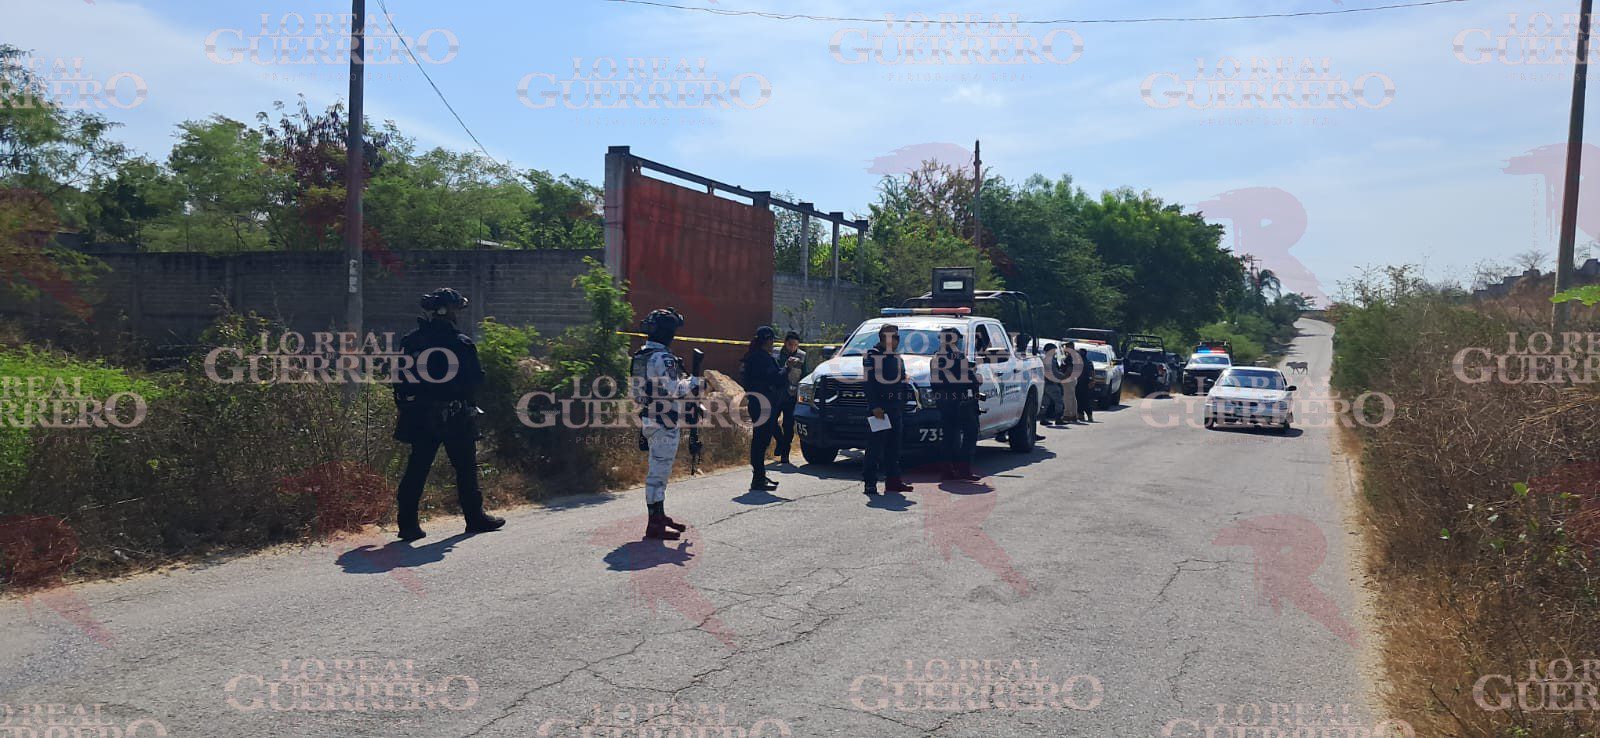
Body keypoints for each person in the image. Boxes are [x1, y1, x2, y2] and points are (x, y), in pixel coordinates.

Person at [392, 288, 505, 542]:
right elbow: (475, 380)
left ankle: (408, 524)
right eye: (456, 309)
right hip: (454, 415)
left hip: (420, 415)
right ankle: (474, 518)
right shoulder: (460, 342)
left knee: (417, 467)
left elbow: (399, 380)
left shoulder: (411, 341)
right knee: (465, 467)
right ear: (449, 311)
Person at [628, 307, 700, 540]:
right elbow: (675, 390)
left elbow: (636, 394)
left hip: (649, 417)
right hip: (664, 420)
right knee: (658, 473)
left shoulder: (641, 355)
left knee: (658, 470)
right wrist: (694, 381)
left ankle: (659, 515)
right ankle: (654, 524)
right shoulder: (663, 358)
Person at [863, 323, 914, 496]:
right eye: (893, 337)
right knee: (875, 447)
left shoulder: (896, 357)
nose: (897, 340)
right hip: (880, 409)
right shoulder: (873, 356)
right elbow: (869, 383)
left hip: (895, 408)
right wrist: (875, 406)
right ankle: (870, 482)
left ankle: (893, 481)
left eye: (898, 337)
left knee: (894, 447)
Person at [929, 327, 982, 481]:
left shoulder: (936, 358)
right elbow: (968, 379)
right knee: (970, 434)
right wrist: (976, 381)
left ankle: (947, 470)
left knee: (948, 436)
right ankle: (963, 469)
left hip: (943, 401)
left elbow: (934, 383)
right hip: (960, 401)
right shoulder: (958, 357)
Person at [739, 326, 785, 492]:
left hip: (757, 403)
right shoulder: (762, 359)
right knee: (761, 440)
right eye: (772, 340)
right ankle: (758, 478)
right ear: (767, 340)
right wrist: (787, 368)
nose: (773, 343)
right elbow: (776, 379)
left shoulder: (753, 356)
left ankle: (759, 475)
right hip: (763, 404)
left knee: (761, 439)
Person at [771, 331, 806, 465]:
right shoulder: (776, 353)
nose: (793, 347)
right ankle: (780, 441)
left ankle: (785, 453)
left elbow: (805, 374)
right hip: (776, 393)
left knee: (788, 425)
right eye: (791, 344)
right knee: (771, 421)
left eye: (796, 345)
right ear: (785, 343)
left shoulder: (802, 356)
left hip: (792, 395)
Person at [1039, 343, 1066, 427]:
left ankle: (1042, 419)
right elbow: (1055, 373)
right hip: (1052, 384)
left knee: (1045, 402)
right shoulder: (1051, 360)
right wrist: (1064, 376)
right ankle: (1058, 418)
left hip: (1045, 383)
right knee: (1059, 402)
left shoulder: (1043, 359)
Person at [1075, 345, 1097, 423]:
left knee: (1085, 400)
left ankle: (1089, 416)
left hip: (1085, 383)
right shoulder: (1080, 362)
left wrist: (1092, 381)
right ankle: (1081, 415)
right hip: (1079, 383)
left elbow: (1092, 372)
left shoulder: (1088, 362)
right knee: (1080, 400)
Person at [1060, 341, 1080, 424]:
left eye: (1066, 347)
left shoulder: (1071, 356)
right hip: (1073, 378)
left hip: (1069, 378)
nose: (1065, 349)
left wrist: (1064, 377)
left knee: (1067, 397)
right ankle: (1073, 414)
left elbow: (1070, 368)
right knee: (1072, 397)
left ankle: (1068, 415)